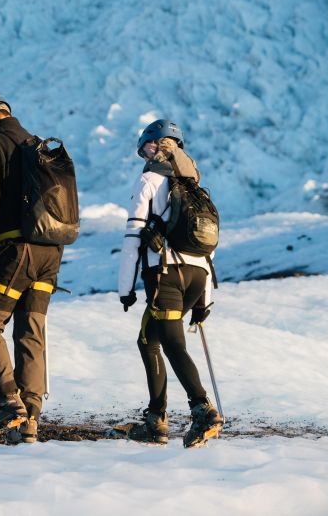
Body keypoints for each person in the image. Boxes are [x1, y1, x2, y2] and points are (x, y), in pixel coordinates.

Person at [117, 119, 224, 447]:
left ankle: (203, 410)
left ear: (157, 147)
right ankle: (155, 419)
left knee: (174, 346)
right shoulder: (195, 187)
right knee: (148, 339)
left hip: (166, 276)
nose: (146, 155)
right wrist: (203, 301)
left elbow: (134, 235)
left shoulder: (149, 179)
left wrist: (125, 288)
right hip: (197, 277)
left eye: (147, 148)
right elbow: (208, 248)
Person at [0, 92, 63, 442]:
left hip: (15, 251)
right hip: (50, 253)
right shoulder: (36, 145)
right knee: (29, 330)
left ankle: (9, 404)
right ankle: (30, 420)